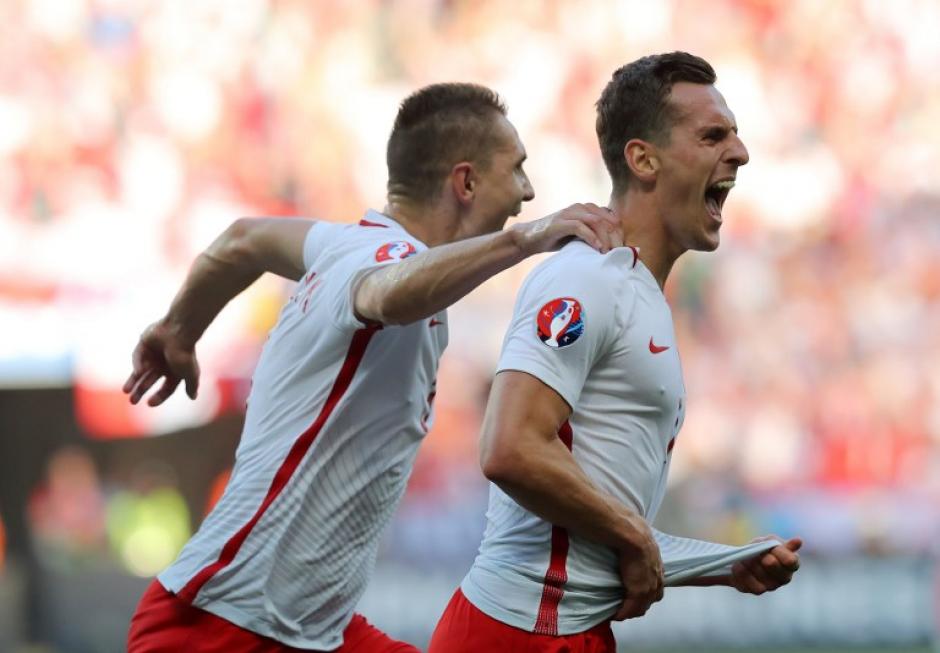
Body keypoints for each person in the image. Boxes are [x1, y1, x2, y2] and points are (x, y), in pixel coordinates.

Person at [122, 82, 621, 652]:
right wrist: (524, 241)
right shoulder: (383, 260)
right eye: (518, 170)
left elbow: (242, 241)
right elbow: (389, 295)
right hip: (222, 624)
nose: (527, 193)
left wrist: (180, 331)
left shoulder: (342, 246)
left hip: (312, 629)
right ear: (466, 182)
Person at [428, 52, 803, 653]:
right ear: (643, 158)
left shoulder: (639, 290)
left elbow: (596, 515)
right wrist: (635, 537)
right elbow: (510, 447)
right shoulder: (588, 277)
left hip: (567, 629)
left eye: (734, 133)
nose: (740, 152)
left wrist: (719, 563)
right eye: (713, 135)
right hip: (518, 632)